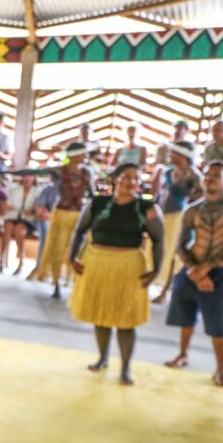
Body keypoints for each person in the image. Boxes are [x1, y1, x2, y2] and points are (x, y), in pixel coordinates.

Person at [69, 164, 163, 386]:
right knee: (100, 315)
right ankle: (102, 358)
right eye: (126, 177)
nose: (130, 182)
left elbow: (159, 240)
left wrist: (156, 269)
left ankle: (125, 368)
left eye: (135, 178)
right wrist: (72, 257)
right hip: (97, 263)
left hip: (129, 267)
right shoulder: (98, 203)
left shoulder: (146, 207)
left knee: (125, 320)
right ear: (115, 179)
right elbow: (80, 231)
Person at [163, 162, 223, 388]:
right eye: (207, 176)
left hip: (219, 272)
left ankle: (220, 370)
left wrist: (205, 270)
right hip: (192, 268)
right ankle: (182, 354)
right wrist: (194, 270)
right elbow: (181, 245)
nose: (210, 180)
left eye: (216, 176)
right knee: (185, 316)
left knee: (219, 323)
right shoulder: (193, 209)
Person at [31, 142, 94, 298]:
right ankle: (57, 283)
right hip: (61, 215)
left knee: (78, 250)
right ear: (74, 155)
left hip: (78, 217)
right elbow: (35, 171)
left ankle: (75, 282)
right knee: (57, 249)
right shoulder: (60, 170)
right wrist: (9, 172)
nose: (86, 156)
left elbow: (92, 195)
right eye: (83, 153)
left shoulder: (87, 173)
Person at [151, 141, 203, 304]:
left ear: (182, 155)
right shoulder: (169, 172)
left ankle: (165, 291)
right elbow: (161, 194)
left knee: (175, 254)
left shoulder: (194, 176)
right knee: (160, 250)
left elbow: (200, 201)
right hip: (163, 216)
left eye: (173, 153)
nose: (170, 156)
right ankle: (158, 284)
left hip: (180, 219)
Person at [0, 171, 40, 275]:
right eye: (25, 176)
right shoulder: (14, 189)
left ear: (34, 178)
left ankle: (20, 263)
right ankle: (1, 260)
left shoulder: (38, 191)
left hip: (28, 220)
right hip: (13, 217)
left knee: (19, 230)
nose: (27, 179)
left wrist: (32, 211)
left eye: (30, 176)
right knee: (7, 228)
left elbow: (35, 210)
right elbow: (8, 205)